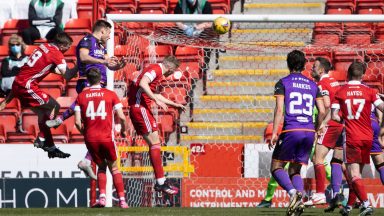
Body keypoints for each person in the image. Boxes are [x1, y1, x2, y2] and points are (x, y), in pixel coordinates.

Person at [46, 19, 127, 179]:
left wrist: (116, 66)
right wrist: (104, 61)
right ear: (102, 30)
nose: (110, 36)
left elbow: (107, 64)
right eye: (109, 33)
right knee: (85, 103)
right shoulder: (87, 40)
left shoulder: (101, 46)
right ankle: (60, 120)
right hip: (87, 80)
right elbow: (83, 57)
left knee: (97, 126)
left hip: (100, 83)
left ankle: (87, 159)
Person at [269, 50, 325, 215]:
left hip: (291, 129)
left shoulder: (283, 82)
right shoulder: (313, 85)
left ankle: (293, 194)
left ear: (288, 64)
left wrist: (274, 132)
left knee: (276, 167)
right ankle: (299, 200)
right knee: (295, 169)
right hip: (308, 131)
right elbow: (322, 110)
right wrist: (316, 128)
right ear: (304, 65)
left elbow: (280, 109)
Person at [0, 32, 73, 158]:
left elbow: (47, 67)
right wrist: (80, 65)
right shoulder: (57, 54)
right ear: (62, 46)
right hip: (27, 86)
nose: (68, 50)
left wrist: (6, 101)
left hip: (18, 83)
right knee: (54, 106)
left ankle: (51, 147)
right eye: (68, 47)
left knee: (42, 115)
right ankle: (41, 138)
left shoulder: (44, 46)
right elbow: (67, 75)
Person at [331, 61, 384, 216]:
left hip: (352, 136)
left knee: (353, 175)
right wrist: (382, 132)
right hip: (368, 136)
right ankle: (348, 207)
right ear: (363, 75)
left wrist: (343, 119)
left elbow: (334, 115)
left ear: (348, 74)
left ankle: (366, 205)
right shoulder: (370, 91)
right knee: (357, 175)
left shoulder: (340, 91)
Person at [128, 55, 185, 195]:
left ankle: (161, 181)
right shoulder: (156, 69)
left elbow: (152, 92)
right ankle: (161, 182)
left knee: (155, 144)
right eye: (174, 70)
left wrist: (174, 104)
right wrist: (155, 100)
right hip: (140, 108)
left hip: (139, 108)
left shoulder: (155, 71)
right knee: (155, 144)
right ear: (170, 68)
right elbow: (143, 83)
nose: (171, 74)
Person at [74, 68, 128, 208]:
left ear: (87, 80)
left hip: (91, 139)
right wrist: (123, 130)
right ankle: (122, 200)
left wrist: (85, 133)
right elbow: (121, 116)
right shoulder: (110, 94)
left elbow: (77, 122)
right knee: (114, 168)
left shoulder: (81, 96)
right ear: (101, 80)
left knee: (101, 167)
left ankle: (102, 198)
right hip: (106, 137)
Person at [305, 57, 345, 207]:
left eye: (314, 67)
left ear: (321, 69)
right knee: (337, 161)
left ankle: (320, 194)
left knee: (317, 158)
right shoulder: (334, 81)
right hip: (341, 123)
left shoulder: (322, 83)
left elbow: (327, 105)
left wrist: (321, 125)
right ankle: (338, 195)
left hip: (331, 123)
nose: (311, 69)